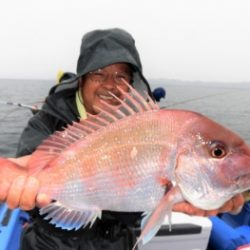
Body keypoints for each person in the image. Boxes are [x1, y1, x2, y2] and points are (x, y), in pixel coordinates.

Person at [1, 28, 244, 250]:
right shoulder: (47, 121)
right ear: (82, 80)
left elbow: (141, 197)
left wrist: (172, 198)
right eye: (98, 74)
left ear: (130, 83)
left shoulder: (148, 124)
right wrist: (28, 178)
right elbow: (30, 170)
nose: (110, 85)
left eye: (120, 76)